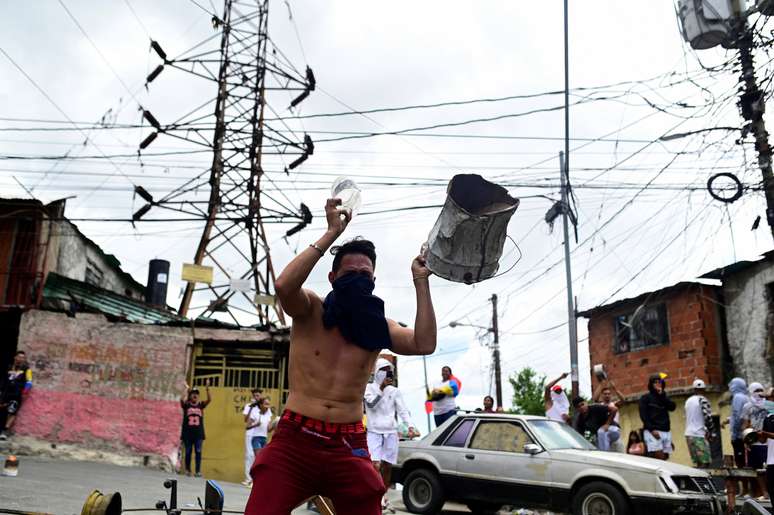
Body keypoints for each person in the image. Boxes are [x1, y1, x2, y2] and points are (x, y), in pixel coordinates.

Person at [244, 198, 437, 515]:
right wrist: (331, 232)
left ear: (373, 282)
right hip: (295, 439)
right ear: (333, 278)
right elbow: (283, 285)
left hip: (348, 443)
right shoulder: (311, 311)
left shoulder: (378, 327)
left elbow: (424, 342)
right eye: (351, 273)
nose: (359, 278)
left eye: (366, 274)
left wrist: (421, 280)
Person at [364, 358, 418, 513]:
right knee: (375, 465)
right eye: (385, 370)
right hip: (374, 431)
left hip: (391, 432)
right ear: (378, 372)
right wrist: (381, 388)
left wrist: (411, 426)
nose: (388, 374)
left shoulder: (395, 391)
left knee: (387, 466)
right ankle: (375, 495)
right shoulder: (368, 388)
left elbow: (402, 410)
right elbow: (371, 404)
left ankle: (383, 495)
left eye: (390, 371)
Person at [638, 373, 676, 460]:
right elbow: (643, 416)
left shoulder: (664, 397)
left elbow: (672, 407)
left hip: (666, 430)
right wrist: (652, 429)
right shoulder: (645, 398)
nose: (658, 384)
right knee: (658, 456)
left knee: (665, 457)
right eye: (655, 382)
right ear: (651, 384)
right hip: (653, 431)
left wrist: (662, 395)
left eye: (660, 382)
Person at [0, 351, 33, 440]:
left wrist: (24, 392)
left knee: (12, 412)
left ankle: (4, 431)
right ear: (15, 357)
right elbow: (3, 380)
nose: (20, 359)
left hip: (16, 394)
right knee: (2, 410)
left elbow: (29, 382)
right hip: (5, 393)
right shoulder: (9, 367)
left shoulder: (27, 369)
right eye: (19, 357)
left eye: (22, 358)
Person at [180, 382, 211, 477]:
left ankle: (198, 471)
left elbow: (209, 400)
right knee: (188, 451)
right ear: (190, 395)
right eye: (193, 393)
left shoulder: (201, 405)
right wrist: (186, 389)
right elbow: (181, 400)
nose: (195, 395)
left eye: (196, 394)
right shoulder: (187, 405)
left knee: (198, 451)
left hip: (198, 433)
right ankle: (188, 470)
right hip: (188, 433)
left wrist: (207, 389)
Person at [684, 378, 715, 468]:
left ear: (694, 389)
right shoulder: (703, 400)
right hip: (699, 435)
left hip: (689, 435)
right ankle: (701, 482)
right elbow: (708, 417)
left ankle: (697, 480)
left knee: (698, 463)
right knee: (705, 462)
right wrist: (712, 432)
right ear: (704, 389)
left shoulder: (688, 401)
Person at [242, 388, 263, 487]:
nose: (256, 397)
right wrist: (251, 407)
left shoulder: (263, 407)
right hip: (250, 433)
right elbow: (245, 419)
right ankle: (248, 478)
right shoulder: (248, 406)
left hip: (259, 434)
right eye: (255, 395)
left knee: (257, 456)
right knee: (249, 455)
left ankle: (255, 479)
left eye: (258, 395)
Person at [594, 381, 623, 451]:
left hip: (613, 430)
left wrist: (615, 389)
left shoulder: (614, 404)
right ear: (602, 395)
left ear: (611, 395)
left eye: (609, 394)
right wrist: (600, 385)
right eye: (605, 394)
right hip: (603, 432)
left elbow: (623, 400)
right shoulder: (600, 405)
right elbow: (595, 399)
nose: (607, 395)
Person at [729, 377, 750, 469]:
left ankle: (744, 483)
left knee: (740, 463)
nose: (730, 387)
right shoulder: (746, 397)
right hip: (746, 434)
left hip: (739, 436)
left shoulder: (737, 397)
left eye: (732, 384)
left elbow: (737, 415)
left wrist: (736, 434)